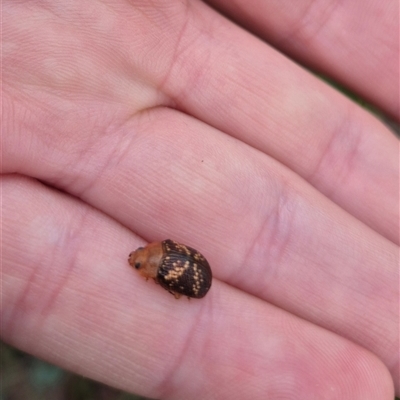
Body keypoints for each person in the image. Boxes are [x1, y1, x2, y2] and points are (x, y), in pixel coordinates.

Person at [2, 1, 398, 399]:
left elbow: (175, 264)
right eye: (140, 258)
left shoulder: (159, 263)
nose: (137, 258)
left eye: (140, 258)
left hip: (195, 276)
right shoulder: (160, 258)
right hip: (194, 274)